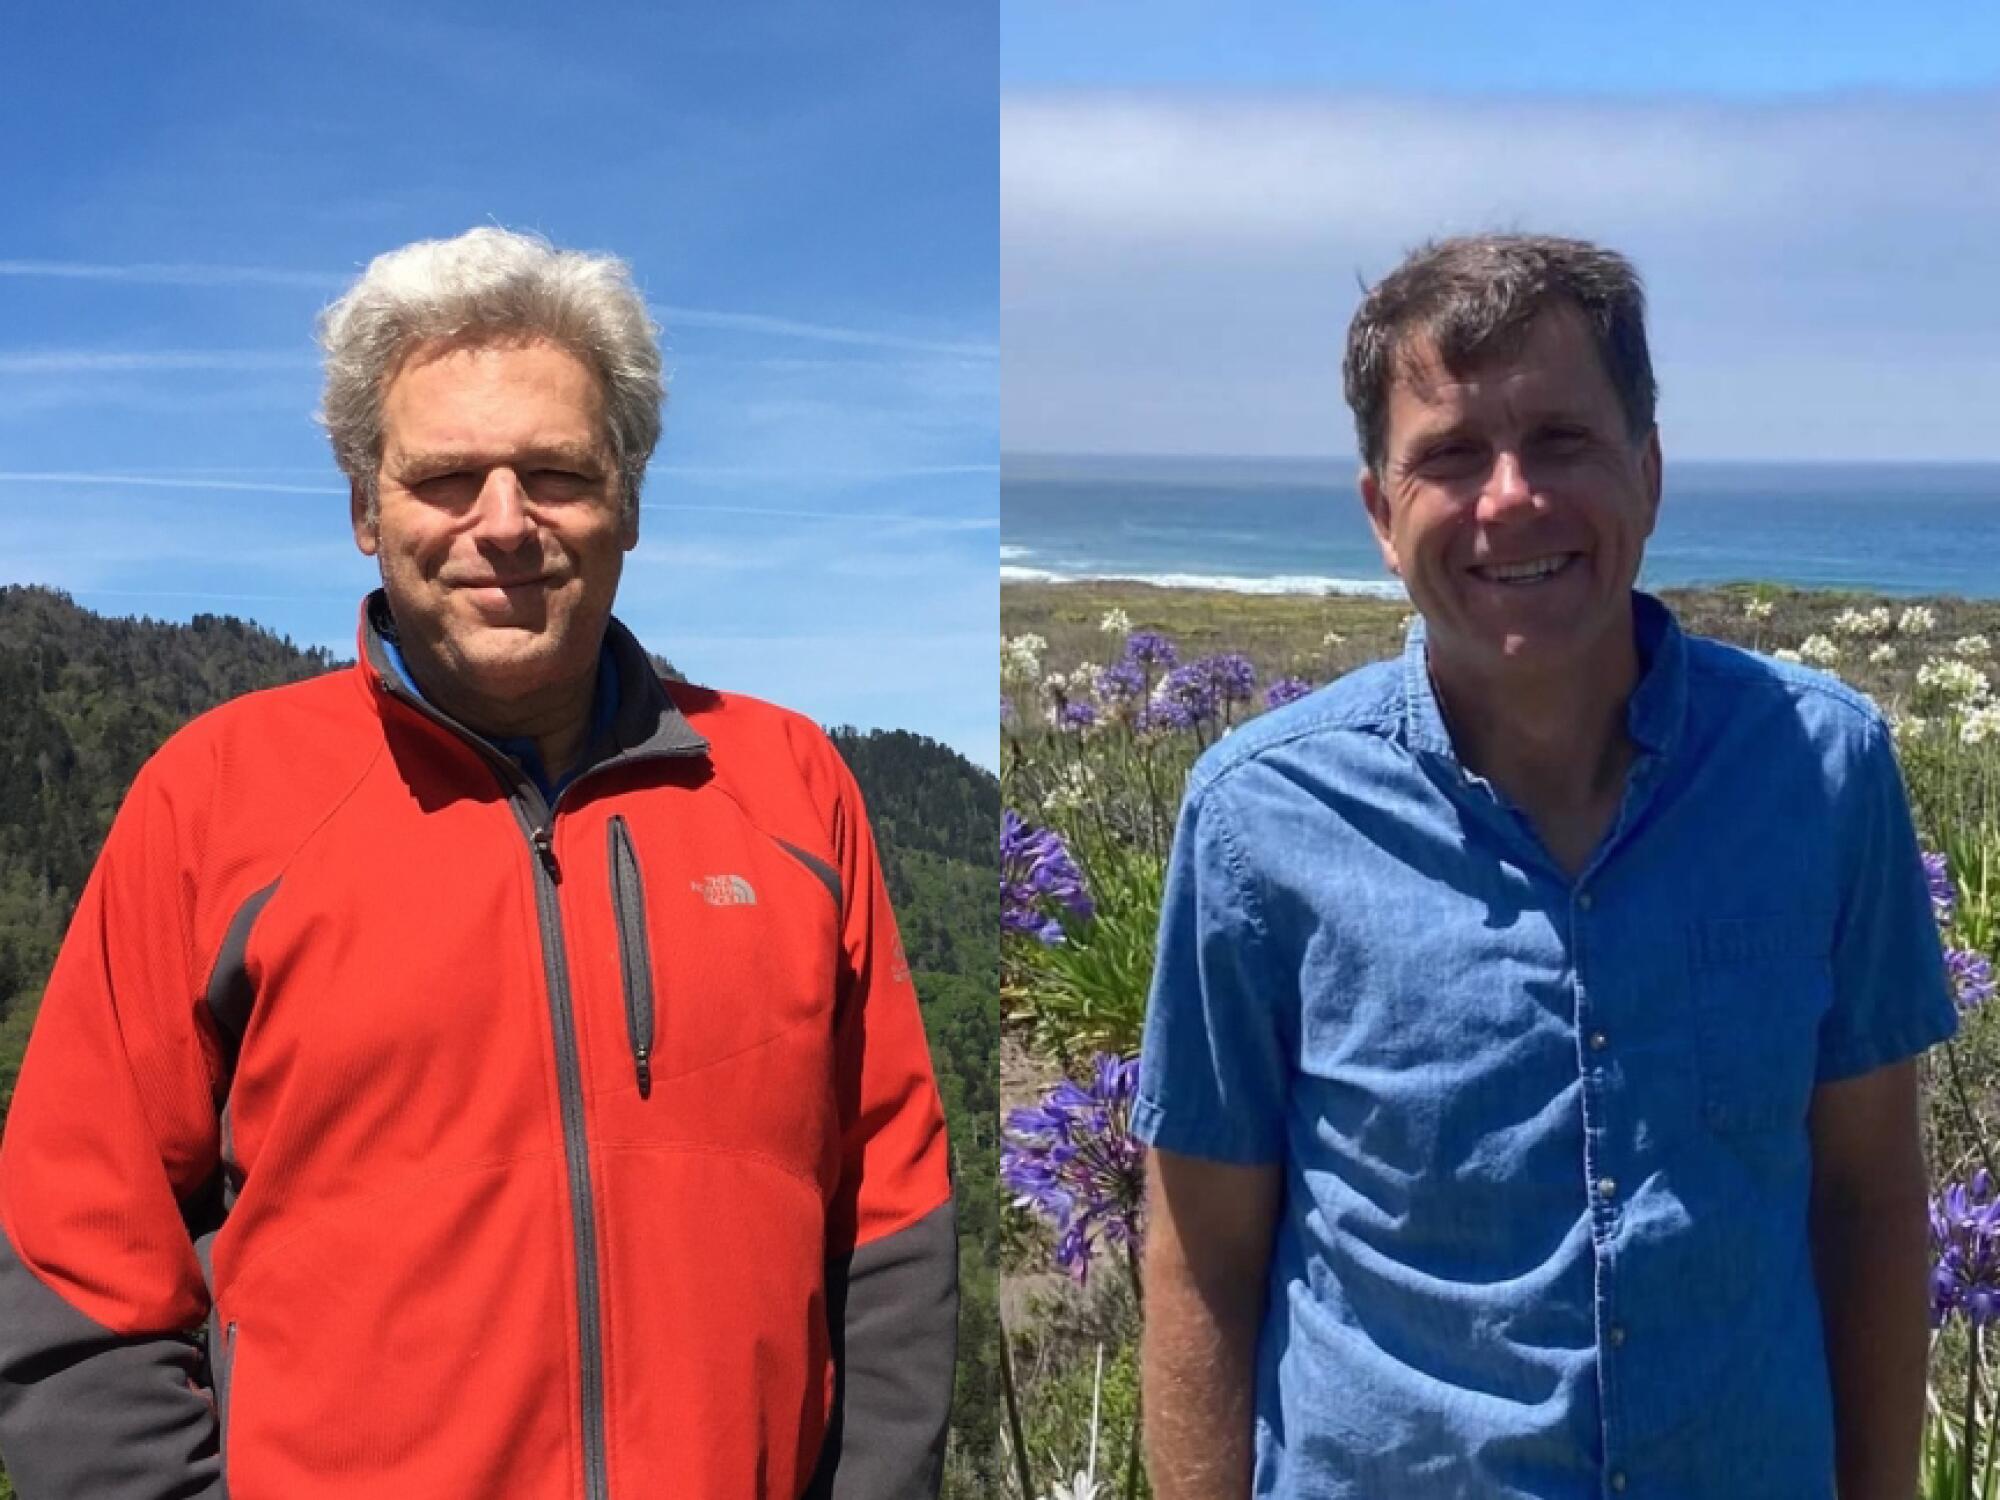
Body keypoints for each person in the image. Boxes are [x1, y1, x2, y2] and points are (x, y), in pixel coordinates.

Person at [0, 227, 957, 1499]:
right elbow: (76, 1256)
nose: (503, 525)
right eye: (447, 478)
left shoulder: (789, 786)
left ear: (628, 498)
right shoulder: (214, 799)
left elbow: (891, 1225)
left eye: (554, 473)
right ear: (364, 509)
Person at [1135, 233, 1953, 1499]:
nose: (1508, 498)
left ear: (1648, 471)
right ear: (1376, 513)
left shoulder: (1821, 771)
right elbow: (1199, 1259)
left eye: (1560, 440)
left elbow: (1865, 1195)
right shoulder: (1257, 817)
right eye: (1449, 455)